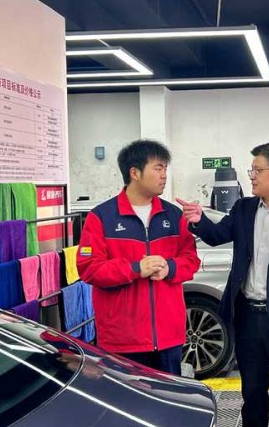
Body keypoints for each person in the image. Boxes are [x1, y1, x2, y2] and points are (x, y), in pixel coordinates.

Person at [178, 143, 269, 427]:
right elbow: (217, 235)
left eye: (257, 170)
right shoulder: (244, 209)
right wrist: (198, 220)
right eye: (252, 170)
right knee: (253, 393)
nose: (252, 176)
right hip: (248, 317)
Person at [77, 139, 200, 375]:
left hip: (168, 337)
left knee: (168, 396)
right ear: (134, 173)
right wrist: (135, 269)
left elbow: (191, 259)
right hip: (122, 340)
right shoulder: (101, 217)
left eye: (165, 168)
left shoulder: (173, 215)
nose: (164, 175)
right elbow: (89, 268)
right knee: (124, 398)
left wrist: (170, 268)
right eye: (158, 168)